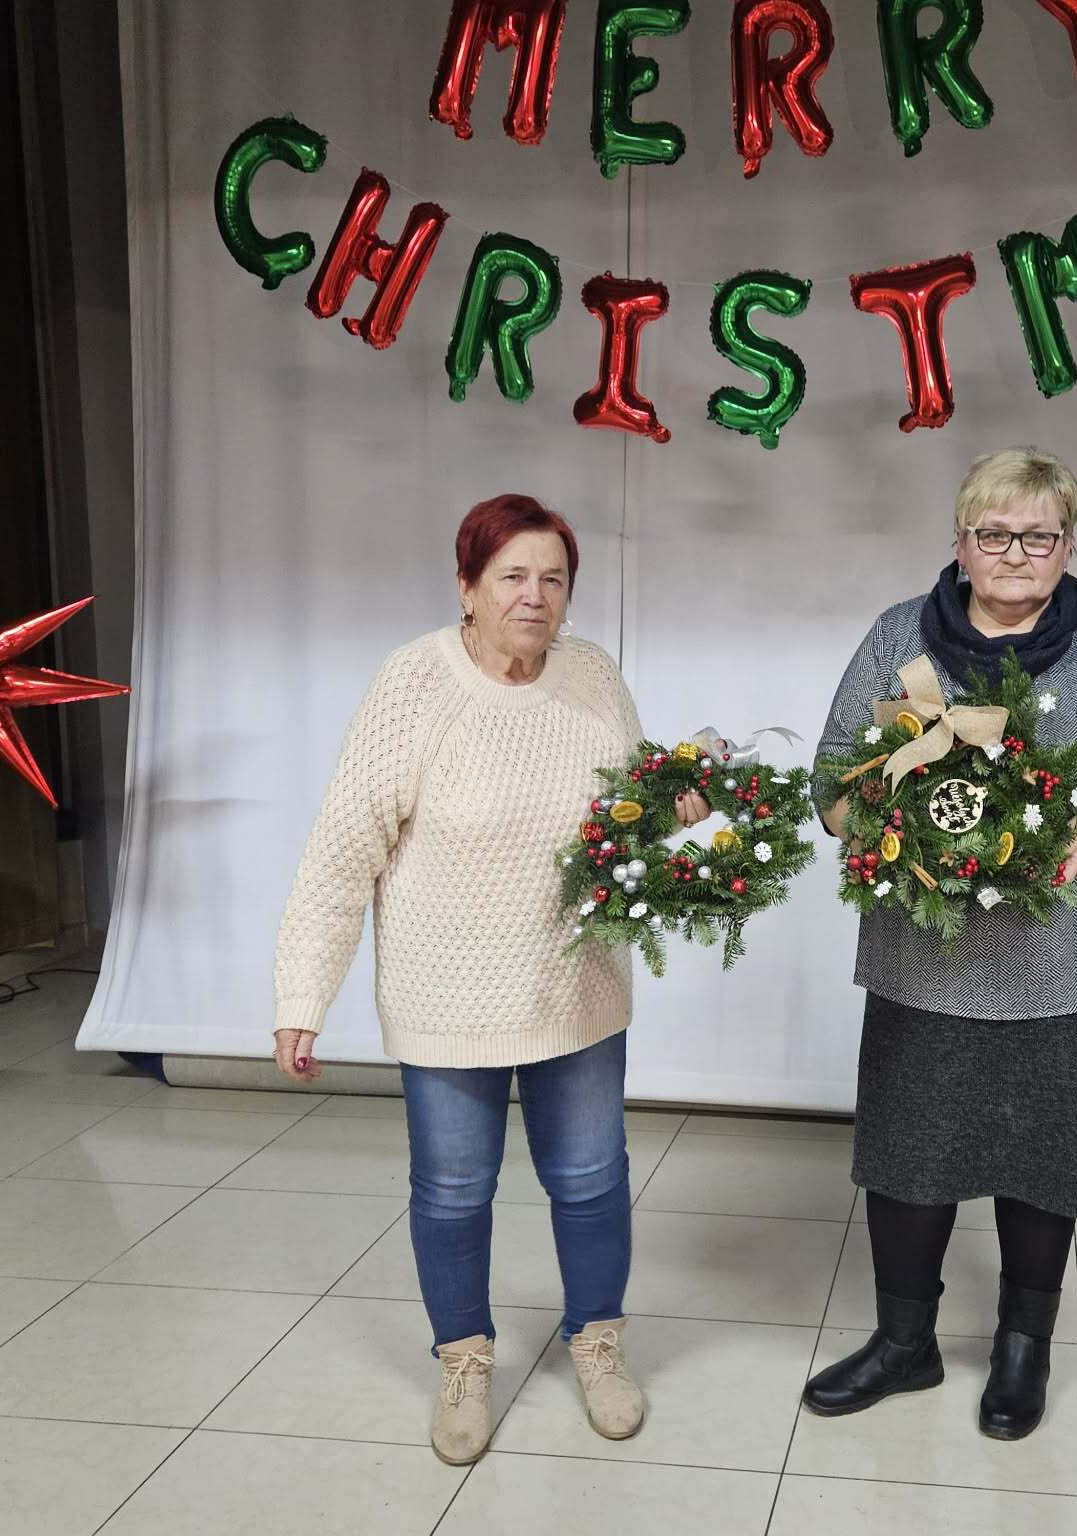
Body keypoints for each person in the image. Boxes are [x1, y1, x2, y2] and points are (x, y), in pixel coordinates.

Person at [271, 493, 704, 1465]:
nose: (534, 595)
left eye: (553, 578)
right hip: (447, 994)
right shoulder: (413, 685)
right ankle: (464, 1361)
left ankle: (597, 1343)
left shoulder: (592, 675)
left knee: (590, 1181)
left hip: (577, 987)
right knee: (454, 1192)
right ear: (466, 587)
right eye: (512, 576)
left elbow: (626, 816)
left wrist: (685, 801)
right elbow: (342, 852)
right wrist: (303, 997)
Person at [804, 446, 1077, 1439]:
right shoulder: (898, 638)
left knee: (1046, 1161)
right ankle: (903, 1343)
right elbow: (831, 781)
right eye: (994, 533)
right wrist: (902, 829)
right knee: (909, 1155)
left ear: (1067, 545)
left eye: (1037, 535)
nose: (1015, 553)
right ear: (960, 543)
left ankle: (1023, 1348)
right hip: (928, 958)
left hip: (1069, 965)